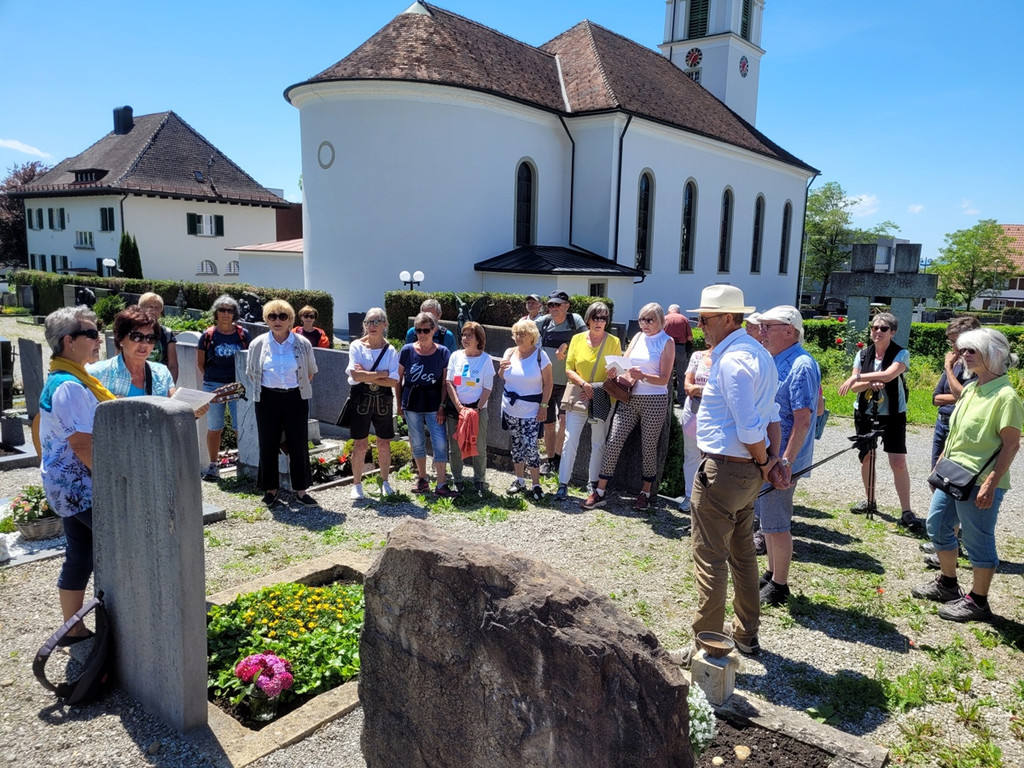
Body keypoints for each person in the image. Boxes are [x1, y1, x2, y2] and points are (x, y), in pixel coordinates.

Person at [672, 285, 781, 667]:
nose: (699, 325)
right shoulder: (759, 355)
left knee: (711, 559)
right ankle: (746, 635)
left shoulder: (734, 360)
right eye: (699, 317)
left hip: (725, 468)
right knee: (742, 554)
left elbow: (751, 427)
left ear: (730, 318)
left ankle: (706, 647)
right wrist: (770, 461)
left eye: (705, 318)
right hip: (745, 471)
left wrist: (767, 460)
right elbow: (770, 418)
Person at [911, 328, 1023, 622]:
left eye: (972, 350)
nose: (964, 355)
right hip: (953, 476)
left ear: (994, 355)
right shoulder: (972, 387)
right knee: (937, 525)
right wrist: (941, 460)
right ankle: (948, 584)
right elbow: (957, 430)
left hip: (980, 481)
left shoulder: (1006, 397)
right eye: (963, 350)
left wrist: (991, 482)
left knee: (977, 540)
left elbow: (1011, 444)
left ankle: (978, 601)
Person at [38, 306, 113, 644]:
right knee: (122, 548)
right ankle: (129, 623)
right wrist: (114, 484)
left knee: (80, 554)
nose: (99, 340)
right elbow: (83, 445)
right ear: (68, 341)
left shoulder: (67, 376)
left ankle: (73, 627)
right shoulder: (69, 385)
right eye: (91, 334)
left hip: (67, 485)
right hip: (81, 487)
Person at [753, 306, 821, 607]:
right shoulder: (778, 359)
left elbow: (805, 419)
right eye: (761, 326)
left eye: (768, 326)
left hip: (782, 460)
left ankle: (780, 585)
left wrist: (786, 462)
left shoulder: (801, 365)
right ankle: (771, 573)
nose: (762, 331)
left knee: (777, 522)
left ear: (789, 330)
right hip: (772, 457)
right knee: (767, 519)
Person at [581, 302, 674, 512]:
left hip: (655, 399)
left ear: (660, 321)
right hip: (629, 396)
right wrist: (616, 371)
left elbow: (664, 379)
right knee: (613, 441)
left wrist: (644, 376)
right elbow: (625, 362)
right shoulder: (638, 337)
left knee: (648, 446)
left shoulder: (666, 342)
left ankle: (645, 492)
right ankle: (600, 490)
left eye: (650, 320)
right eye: (642, 319)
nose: (645, 324)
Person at [837, 312, 921, 533]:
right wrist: (866, 382)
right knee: (867, 457)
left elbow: (888, 376)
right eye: (874, 328)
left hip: (893, 414)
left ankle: (906, 511)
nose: (877, 332)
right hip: (865, 412)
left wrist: (857, 377)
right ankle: (870, 499)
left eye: (883, 329)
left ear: (892, 332)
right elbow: (855, 390)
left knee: (898, 462)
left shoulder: (901, 353)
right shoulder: (863, 353)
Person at [245, 300, 319, 507]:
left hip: (295, 397)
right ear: (266, 320)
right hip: (267, 398)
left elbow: (310, 372)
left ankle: (301, 490)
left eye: (282, 316)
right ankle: (271, 490)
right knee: (268, 443)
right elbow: (252, 373)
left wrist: (293, 388)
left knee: (298, 443)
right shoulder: (258, 344)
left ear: (290, 320)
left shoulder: (302, 343)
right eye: (272, 316)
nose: (277, 320)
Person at [922, 316, 982, 566]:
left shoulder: (974, 365)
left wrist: (948, 370)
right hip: (943, 423)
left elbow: (963, 395)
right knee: (938, 480)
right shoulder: (957, 363)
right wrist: (954, 394)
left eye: (955, 341)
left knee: (956, 485)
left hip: (960, 428)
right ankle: (946, 539)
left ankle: (952, 545)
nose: (953, 348)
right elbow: (937, 397)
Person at [555, 301, 622, 500]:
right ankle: (563, 482)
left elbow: (617, 371)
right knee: (570, 440)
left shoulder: (614, 342)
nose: (599, 322)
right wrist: (584, 384)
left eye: (603, 318)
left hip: (602, 398)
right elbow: (568, 368)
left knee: (598, 442)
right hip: (580, 396)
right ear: (588, 319)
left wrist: (612, 374)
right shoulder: (576, 339)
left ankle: (592, 483)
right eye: (596, 317)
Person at [398, 311, 455, 496]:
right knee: (417, 442)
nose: (422, 334)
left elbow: (446, 383)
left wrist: (442, 405)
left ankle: (441, 484)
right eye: (418, 330)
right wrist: (399, 403)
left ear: (434, 330)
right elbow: (398, 379)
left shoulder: (442, 352)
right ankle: (422, 479)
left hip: (433, 403)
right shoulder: (407, 350)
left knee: (439, 443)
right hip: (412, 401)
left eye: (426, 330)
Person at [346, 307, 399, 500]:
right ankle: (356, 484)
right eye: (369, 322)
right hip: (360, 399)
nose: (372, 326)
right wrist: (380, 374)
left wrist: (367, 376)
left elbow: (393, 381)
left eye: (377, 321)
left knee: (384, 442)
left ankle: (384, 482)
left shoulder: (391, 350)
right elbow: (354, 374)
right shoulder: (356, 346)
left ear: (384, 324)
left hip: (383, 400)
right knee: (360, 444)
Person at [197, 295, 251, 481]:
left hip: (237, 387)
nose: (226, 314)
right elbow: (201, 363)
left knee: (239, 427)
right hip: (213, 385)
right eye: (222, 310)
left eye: (230, 310)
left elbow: (249, 360)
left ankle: (244, 461)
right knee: (214, 428)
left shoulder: (243, 334)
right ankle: (213, 465)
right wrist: (216, 380)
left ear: (234, 313)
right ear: (216, 313)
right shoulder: (208, 335)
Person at [499, 318, 553, 500]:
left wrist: (544, 406)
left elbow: (548, 383)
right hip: (510, 408)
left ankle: (536, 484)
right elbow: (503, 376)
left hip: (531, 409)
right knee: (516, 445)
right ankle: (519, 480)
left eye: (522, 334)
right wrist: (500, 371)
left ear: (532, 336)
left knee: (531, 446)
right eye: (516, 334)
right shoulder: (509, 352)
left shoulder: (540, 356)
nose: (518, 337)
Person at [534, 290, 585, 475]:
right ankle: (549, 460)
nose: (554, 308)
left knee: (563, 421)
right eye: (551, 305)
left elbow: (588, 342)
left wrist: (568, 345)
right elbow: (523, 330)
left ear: (567, 306)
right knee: (548, 423)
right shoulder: (544, 322)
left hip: (568, 383)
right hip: (547, 383)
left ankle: (558, 458)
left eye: (557, 305)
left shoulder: (575, 321)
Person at [445, 321, 494, 495]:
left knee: (479, 446)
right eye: (464, 335)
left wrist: (476, 409)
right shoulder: (456, 356)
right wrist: (459, 407)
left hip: (477, 410)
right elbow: (449, 382)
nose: (465, 338)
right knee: (455, 447)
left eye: (469, 335)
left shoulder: (486, 360)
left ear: (478, 339)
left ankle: (479, 479)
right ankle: (457, 478)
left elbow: (488, 387)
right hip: (457, 410)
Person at [88, 306, 175, 398]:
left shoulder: (162, 373)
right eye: (137, 337)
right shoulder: (97, 373)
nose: (144, 343)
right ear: (120, 339)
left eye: (150, 338)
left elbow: (175, 407)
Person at [679, 336, 715, 513]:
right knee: (691, 452)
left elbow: (723, 388)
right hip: (693, 409)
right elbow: (687, 384)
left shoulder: (727, 357)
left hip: (715, 412)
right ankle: (689, 495)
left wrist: (700, 390)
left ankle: (708, 498)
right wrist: (696, 389)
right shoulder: (697, 356)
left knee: (712, 456)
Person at [138, 292, 178, 382]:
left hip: (159, 381)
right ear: (141, 308)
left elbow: (173, 365)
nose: (153, 311)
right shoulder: (131, 332)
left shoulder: (167, 333)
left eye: (157, 307)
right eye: (149, 307)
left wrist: (171, 386)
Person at [663, 303, 693, 403]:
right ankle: (682, 399)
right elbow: (690, 337)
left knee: (667, 375)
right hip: (680, 349)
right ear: (678, 311)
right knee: (681, 375)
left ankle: (667, 399)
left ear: (669, 311)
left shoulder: (665, 319)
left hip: (667, 349)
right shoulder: (684, 319)